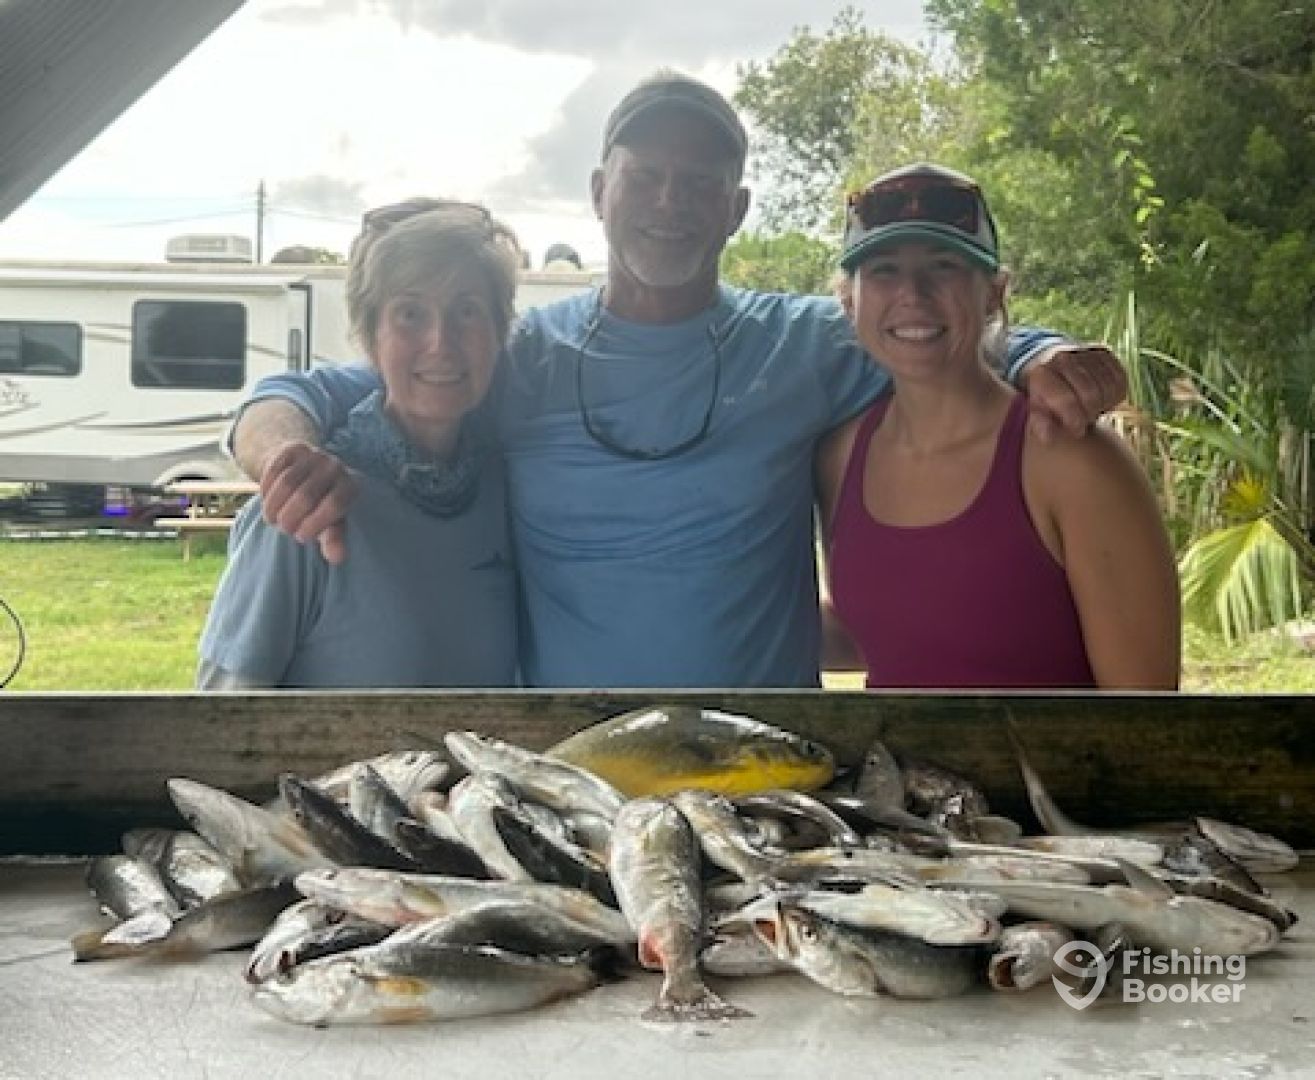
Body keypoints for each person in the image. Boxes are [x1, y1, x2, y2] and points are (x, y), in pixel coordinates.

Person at [228, 71, 1128, 689]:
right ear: (598, 191)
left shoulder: (803, 345)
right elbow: (316, 394)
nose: (669, 202)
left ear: (736, 209)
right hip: (571, 766)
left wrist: (1041, 356)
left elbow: (935, 329)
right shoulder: (519, 356)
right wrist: (282, 453)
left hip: (767, 762)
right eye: (646, 177)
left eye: (699, 183)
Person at [817, 163, 1180, 689]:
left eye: (944, 266)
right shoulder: (838, 458)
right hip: (890, 749)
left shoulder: (1072, 461)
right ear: (849, 301)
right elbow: (894, 628)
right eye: (884, 270)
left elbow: (1146, 709)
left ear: (993, 294)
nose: (912, 293)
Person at [197, 200, 521, 688]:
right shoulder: (306, 507)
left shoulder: (505, 490)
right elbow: (220, 712)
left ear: (500, 334)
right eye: (410, 314)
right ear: (370, 340)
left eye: (467, 311)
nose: (441, 342)